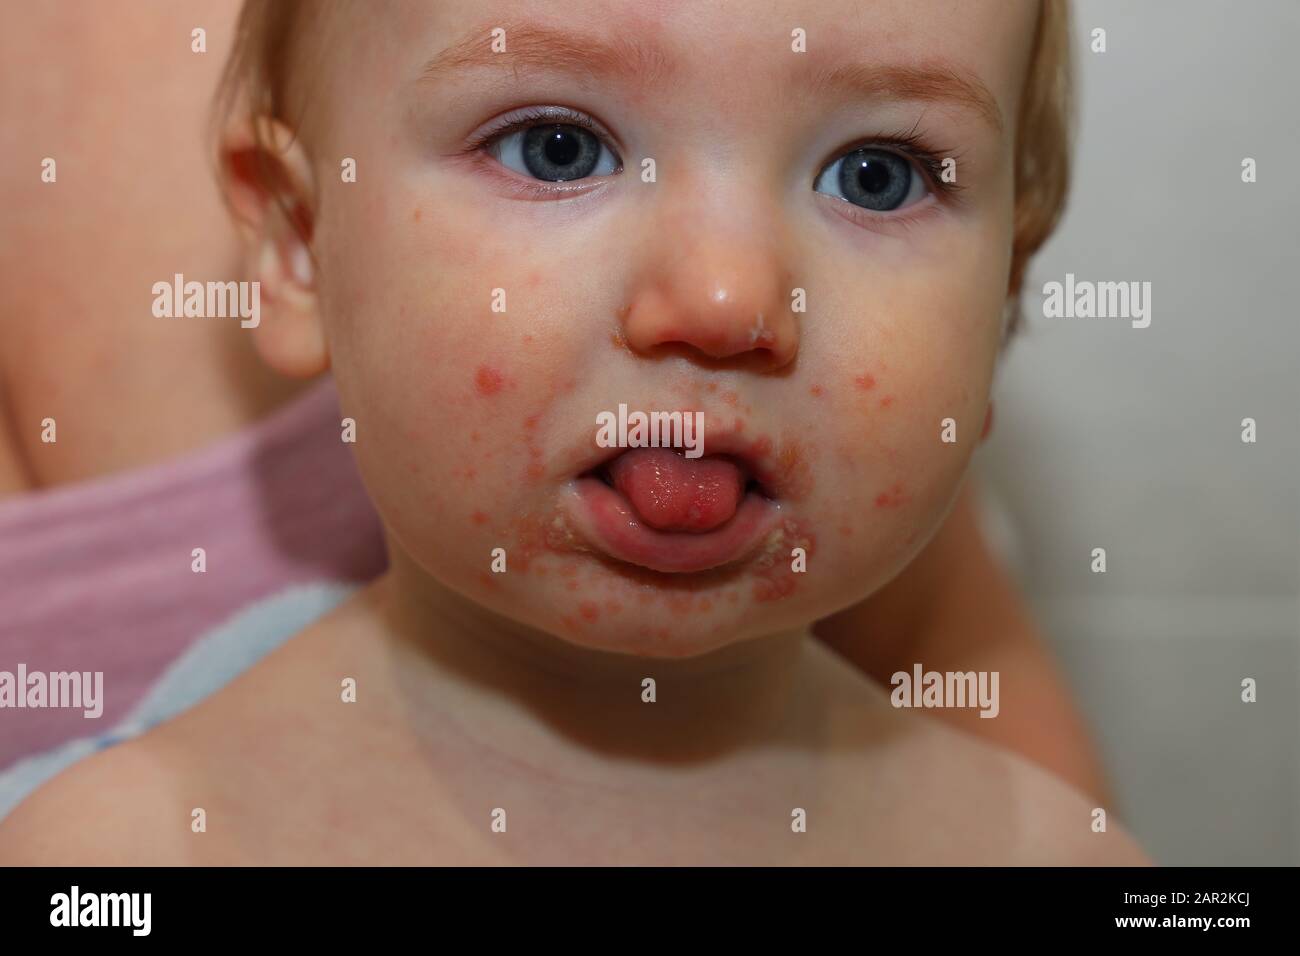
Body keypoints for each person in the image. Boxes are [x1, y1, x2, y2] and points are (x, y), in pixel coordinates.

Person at [0, 0, 1132, 863]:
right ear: (303, 242)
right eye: (558, 148)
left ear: (1001, 310)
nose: (727, 295)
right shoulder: (118, 852)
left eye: (877, 176)